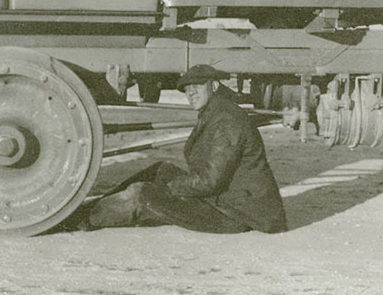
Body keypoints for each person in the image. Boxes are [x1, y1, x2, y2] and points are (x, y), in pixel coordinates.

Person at [74, 65, 287, 234]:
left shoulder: (227, 120)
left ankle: (79, 220)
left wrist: (172, 187)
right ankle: (92, 206)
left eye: (197, 86)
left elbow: (210, 181)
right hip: (225, 198)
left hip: (236, 214)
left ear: (213, 86)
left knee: (143, 195)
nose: (190, 92)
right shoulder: (215, 110)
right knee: (160, 169)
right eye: (187, 88)